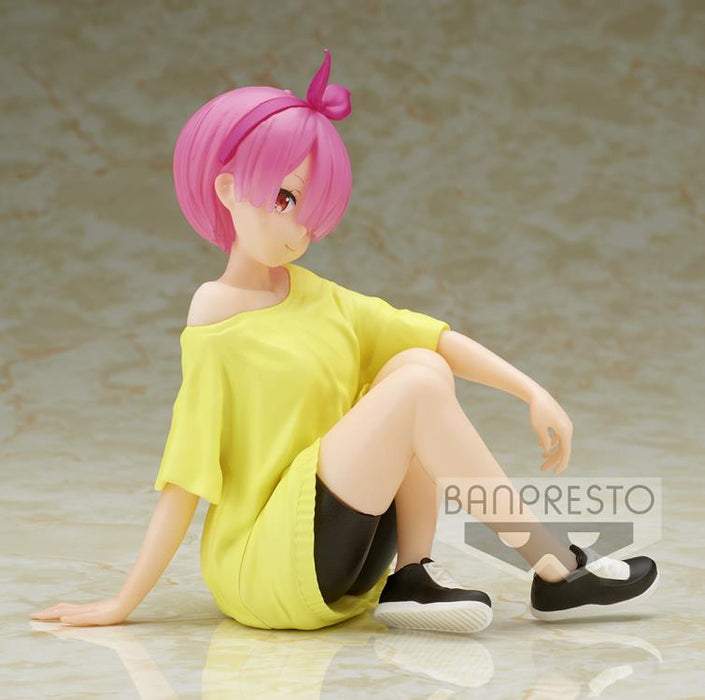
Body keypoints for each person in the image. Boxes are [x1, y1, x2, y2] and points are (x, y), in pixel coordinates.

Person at [30, 49, 658, 632]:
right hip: (263, 568)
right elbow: (187, 474)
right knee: (415, 386)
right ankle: (555, 567)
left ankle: (412, 576)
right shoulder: (216, 315)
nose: (297, 230)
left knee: (419, 364)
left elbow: (435, 338)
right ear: (226, 188)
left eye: (310, 211)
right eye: (284, 198)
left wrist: (531, 391)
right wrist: (122, 602)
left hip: (346, 556)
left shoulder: (318, 296)